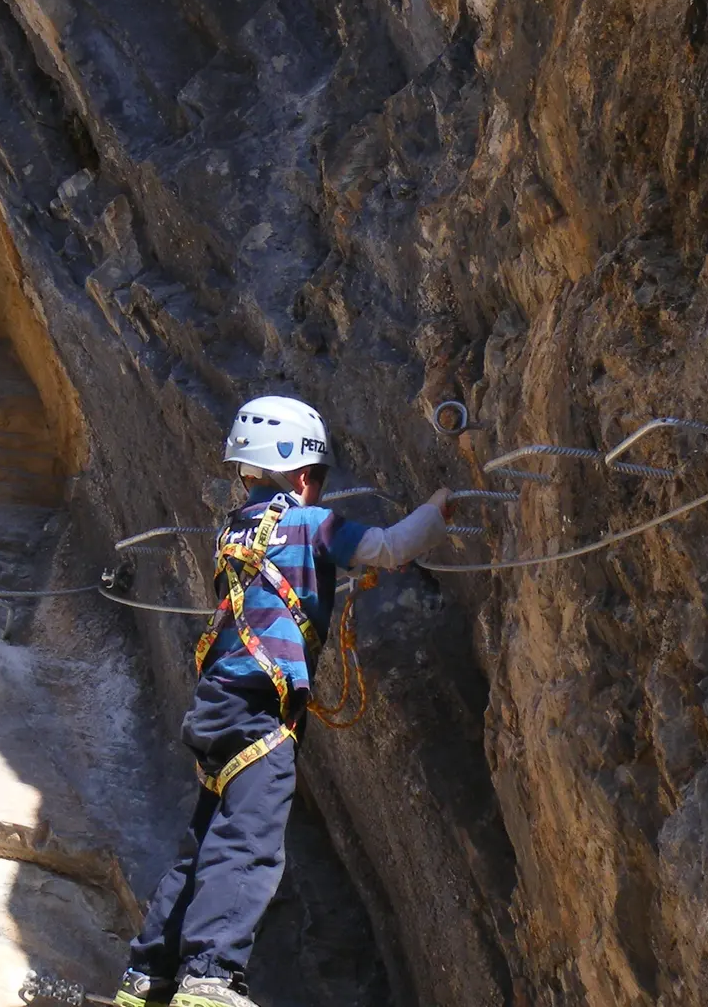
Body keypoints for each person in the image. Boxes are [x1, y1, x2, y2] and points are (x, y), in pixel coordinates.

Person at [114, 396, 454, 1007]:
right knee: (249, 839)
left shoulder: (235, 532)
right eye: (317, 481)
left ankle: (148, 977)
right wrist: (439, 508)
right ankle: (209, 977)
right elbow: (392, 545)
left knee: (205, 838)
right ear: (302, 475)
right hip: (259, 709)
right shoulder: (308, 524)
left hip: (221, 705)